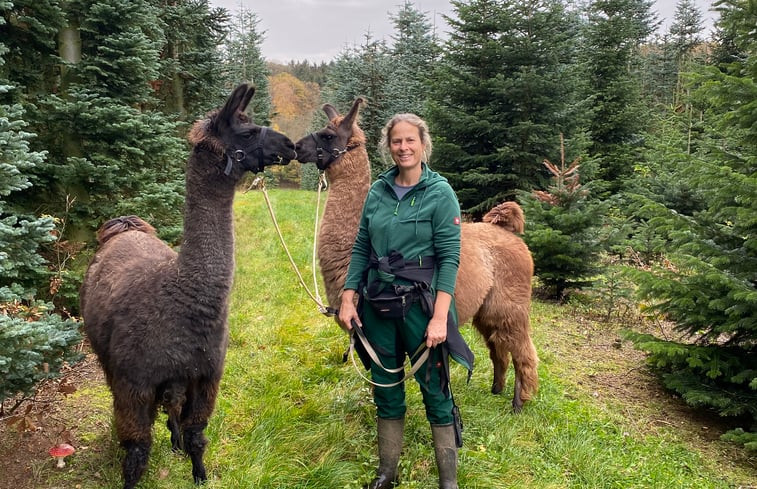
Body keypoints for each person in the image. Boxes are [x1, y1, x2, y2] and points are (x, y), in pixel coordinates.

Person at [338, 113, 473, 489]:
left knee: (435, 388)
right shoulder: (378, 190)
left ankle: (448, 482)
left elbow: (449, 258)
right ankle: (386, 474)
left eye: (410, 140)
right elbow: (362, 246)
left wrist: (440, 319)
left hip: (421, 306)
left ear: (422, 143)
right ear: (388, 145)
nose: (403, 148)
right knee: (386, 386)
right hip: (378, 303)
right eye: (397, 141)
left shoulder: (440, 192)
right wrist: (348, 297)